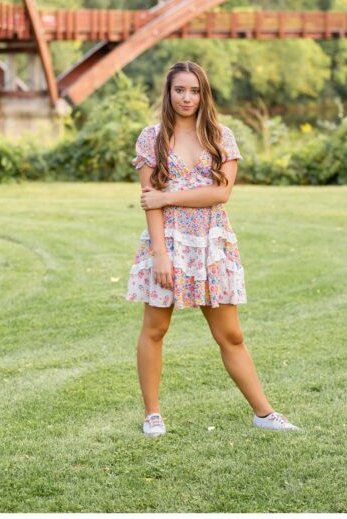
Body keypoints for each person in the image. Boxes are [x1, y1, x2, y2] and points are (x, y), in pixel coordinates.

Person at [127, 60, 299, 436]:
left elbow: (221, 193)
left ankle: (264, 413)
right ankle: (152, 414)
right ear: (168, 92)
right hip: (168, 243)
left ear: (204, 93)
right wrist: (160, 253)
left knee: (231, 335)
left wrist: (166, 197)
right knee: (155, 329)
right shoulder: (151, 137)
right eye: (179, 90)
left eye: (194, 90)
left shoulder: (221, 136)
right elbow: (148, 200)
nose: (187, 98)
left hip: (210, 244)